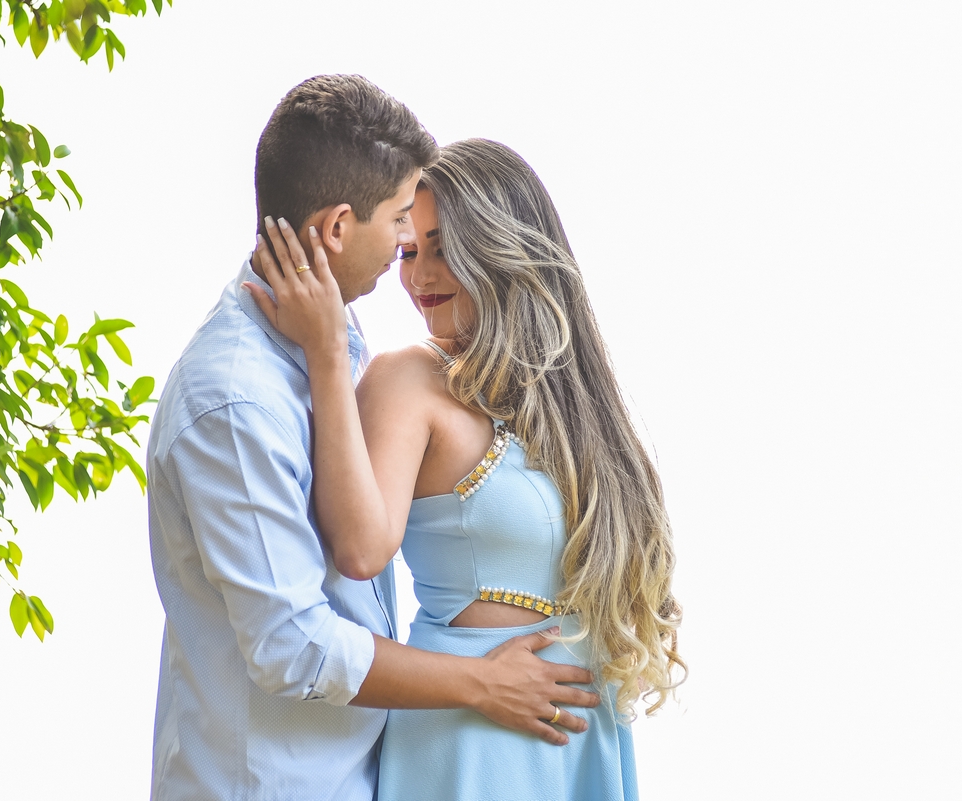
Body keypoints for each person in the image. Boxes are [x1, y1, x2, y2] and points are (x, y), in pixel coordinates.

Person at [147, 78, 599, 801]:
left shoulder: (333, 336)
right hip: (270, 784)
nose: (403, 253)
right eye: (398, 223)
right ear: (336, 227)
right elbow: (293, 646)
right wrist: (481, 682)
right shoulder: (234, 400)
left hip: (358, 773)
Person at [247, 137, 685, 800]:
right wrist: (329, 354)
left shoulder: (576, 406)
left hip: (579, 737)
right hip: (473, 734)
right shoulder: (409, 379)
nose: (419, 276)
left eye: (444, 248)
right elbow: (362, 547)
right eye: (409, 251)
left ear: (502, 247)